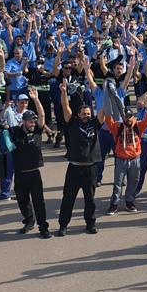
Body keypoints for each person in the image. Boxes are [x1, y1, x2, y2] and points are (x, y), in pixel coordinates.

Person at [56, 81, 101, 237]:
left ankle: (90, 223)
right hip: (74, 167)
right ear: (78, 115)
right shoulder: (72, 123)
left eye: (88, 113)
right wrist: (63, 92)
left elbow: (104, 110)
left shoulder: (95, 124)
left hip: (90, 168)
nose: (86, 116)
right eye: (84, 114)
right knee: (68, 198)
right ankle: (63, 225)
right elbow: (65, 107)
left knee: (90, 199)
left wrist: (108, 93)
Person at [8, 91, 51, 239]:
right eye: (30, 122)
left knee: (39, 201)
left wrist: (36, 100)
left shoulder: (38, 131)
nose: (33, 124)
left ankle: (43, 227)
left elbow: (42, 116)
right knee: (22, 200)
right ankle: (29, 221)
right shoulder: (15, 132)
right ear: (24, 122)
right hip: (20, 173)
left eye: (34, 121)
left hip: (34, 172)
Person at [101, 94, 147, 215]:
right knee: (118, 183)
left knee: (133, 181)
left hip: (135, 159)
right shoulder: (117, 127)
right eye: (126, 116)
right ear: (123, 117)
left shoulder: (137, 126)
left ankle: (130, 201)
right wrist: (107, 106)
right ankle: (114, 204)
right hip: (121, 160)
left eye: (130, 116)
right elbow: (108, 120)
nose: (128, 118)